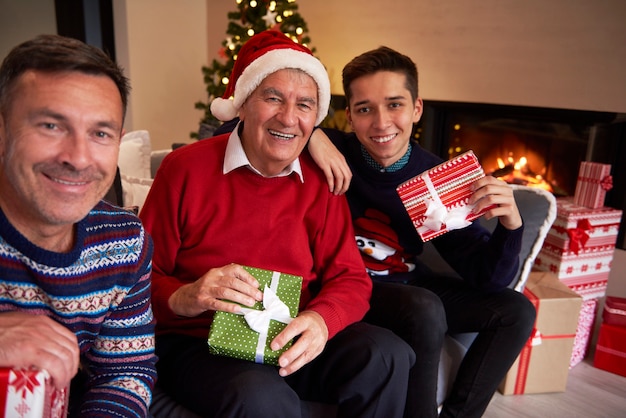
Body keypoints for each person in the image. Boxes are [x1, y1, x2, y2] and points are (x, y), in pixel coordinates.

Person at [139, 30, 414, 418]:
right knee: (262, 396)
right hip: (198, 344)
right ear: (244, 103)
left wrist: (320, 321)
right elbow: (137, 278)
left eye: (304, 104)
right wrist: (187, 295)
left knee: (387, 355)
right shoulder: (184, 169)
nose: (288, 117)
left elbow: (350, 278)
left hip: (289, 334)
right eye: (273, 98)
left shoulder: (322, 180)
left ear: (315, 119)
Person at [306, 47, 537, 417]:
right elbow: (233, 129)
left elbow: (487, 278)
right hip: (348, 288)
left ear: (417, 109)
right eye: (365, 109)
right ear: (349, 116)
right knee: (423, 306)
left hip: (406, 288)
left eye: (395, 104)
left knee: (517, 310)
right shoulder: (329, 151)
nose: (381, 123)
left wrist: (511, 225)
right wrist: (311, 135)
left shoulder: (437, 177)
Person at [0, 34, 157, 417]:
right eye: (52, 126)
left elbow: (125, 372)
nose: (78, 158)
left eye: (100, 134)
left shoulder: (125, 241)